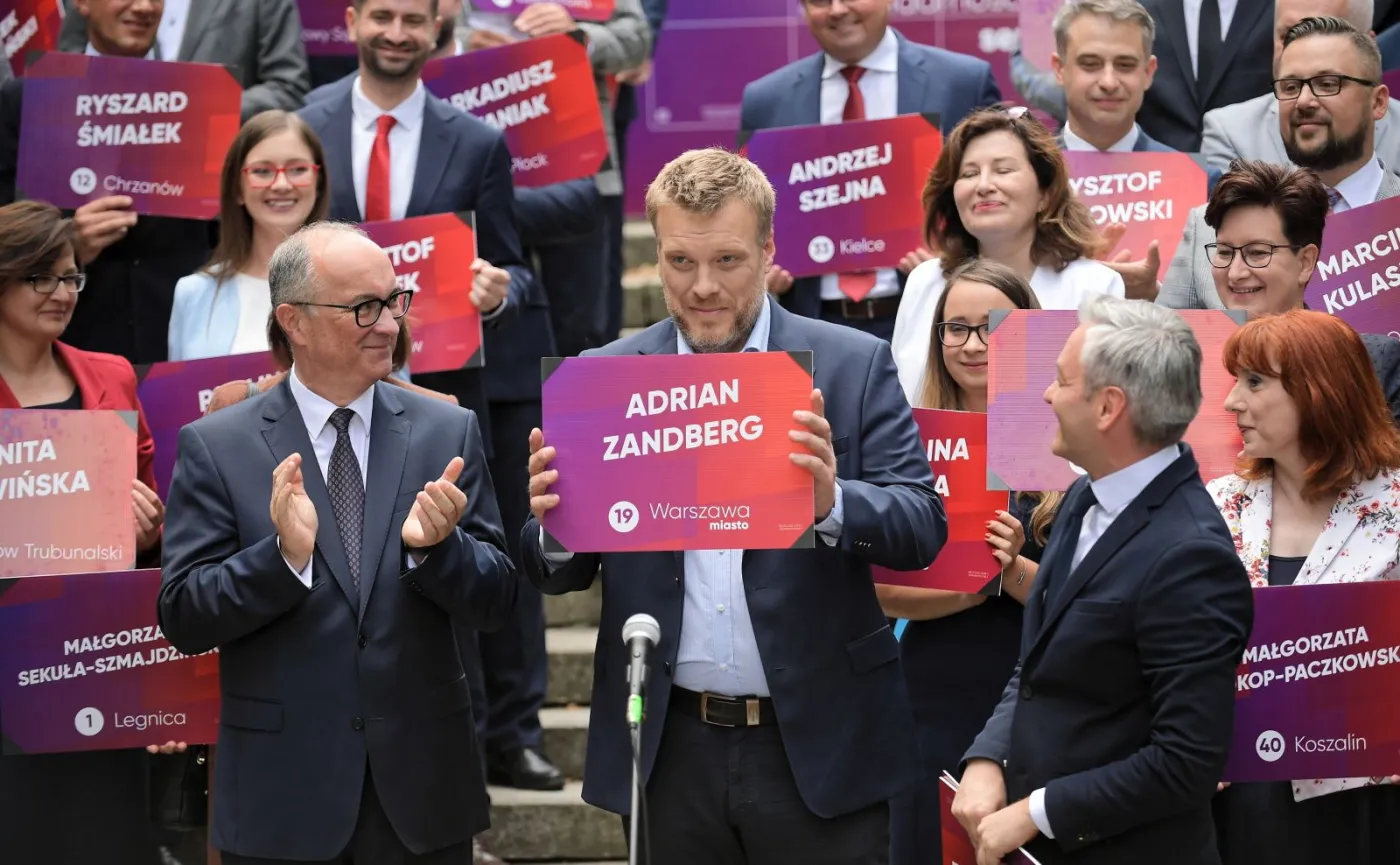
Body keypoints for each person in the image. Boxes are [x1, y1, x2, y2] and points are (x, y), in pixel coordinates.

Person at [520, 148, 946, 865]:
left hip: (817, 743)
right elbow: (553, 571)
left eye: (727, 259)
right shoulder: (603, 380)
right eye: (681, 262)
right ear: (655, 253)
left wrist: (830, 502)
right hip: (669, 748)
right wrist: (557, 526)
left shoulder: (850, 364)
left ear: (769, 249)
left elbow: (921, 526)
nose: (704, 286)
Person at [159, 222, 518, 865]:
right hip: (280, 802)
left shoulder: (447, 429)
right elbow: (184, 615)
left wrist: (437, 552)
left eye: (394, 301)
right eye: (363, 308)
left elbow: (498, 602)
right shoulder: (217, 444)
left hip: (422, 798)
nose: (388, 324)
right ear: (292, 321)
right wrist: (282, 560)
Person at [952, 295, 1254, 865]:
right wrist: (990, 757)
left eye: (1063, 380)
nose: (1047, 394)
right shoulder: (1085, 496)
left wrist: (1035, 811)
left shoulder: (1191, 557)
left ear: (1109, 406)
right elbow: (1040, 664)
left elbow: (1186, 763)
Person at [880, 259, 1063, 865]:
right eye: (955, 328)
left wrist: (1007, 569)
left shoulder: (1072, 448)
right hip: (926, 687)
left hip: (1034, 695)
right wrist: (974, 587)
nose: (972, 345)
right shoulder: (906, 445)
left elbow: (1083, 603)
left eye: (993, 327)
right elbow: (878, 591)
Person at [0, 200, 163, 863]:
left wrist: (147, 525)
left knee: (107, 835)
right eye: (42, 277)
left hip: (94, 662)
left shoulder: (112, 373)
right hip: (9, 666)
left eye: (71, 277)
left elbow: (152, 520)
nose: (62, 293)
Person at [1208, 309, 1400, 865]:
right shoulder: (1216, 505)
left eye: (1255, 382)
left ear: (1320, 392)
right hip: (1240, 796)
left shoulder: (1394, 505)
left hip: (1366, 803)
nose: (1230, 403)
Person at [740, 0, 1001, 339]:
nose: (836, 10)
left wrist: (954, 255)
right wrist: (761, 267)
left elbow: (1001, 199)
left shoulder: (962, 83)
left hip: (938, 323)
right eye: (819, 1)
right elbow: (749, 215)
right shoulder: (765, 101)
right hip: (813, 327)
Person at [0, 0, 215, 365]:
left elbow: (223, 238)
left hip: (181, 353)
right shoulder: (25, 98)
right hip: (67, 353)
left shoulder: (202, 95)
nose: (144, 7)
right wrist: (67, 246)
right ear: (81, 3)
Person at [891, 105, 1125, 403]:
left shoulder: (1096, 286)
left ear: (1045, 194)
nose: (984, 185)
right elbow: (900, 399)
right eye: (969, 173)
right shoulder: (924, 281)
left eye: (1003, 170)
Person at [1162, 16, 1397, 310]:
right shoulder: (1208, 228)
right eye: (1290, 86)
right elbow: (1168, 350)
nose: (1304, 100)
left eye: (1327, 84)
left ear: (1377, 102)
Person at [464, 0, 650, 356]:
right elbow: (420, 28)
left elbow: (637, 40)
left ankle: (581, 408)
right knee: (491, 319)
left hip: (575, 161)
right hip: (481, 159)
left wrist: (578, 38)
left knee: (581, 327)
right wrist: (465, 44)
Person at [1190, 159, 1400, 423]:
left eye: (1257, 253)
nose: (1235, 273)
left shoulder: (1371, 362)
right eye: (1224, 252)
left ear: (1305, 262)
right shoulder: (1185, 362)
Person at [169, 110, 329, 360]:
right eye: (262, 171)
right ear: (237, 189)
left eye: (297, 169)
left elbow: (395, 394)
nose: (281, 184)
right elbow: (180, 397)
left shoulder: (357, 285)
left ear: (318, 182)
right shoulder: (193, 293)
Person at [1201, 0, 1400, 172]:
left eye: (1323, 32)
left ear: (1369, 47)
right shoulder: (1230, 135)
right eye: (1288, 35)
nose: (1301, 49)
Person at [61, 0, 311, 121]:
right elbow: (68, 61)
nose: (144, 8)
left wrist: (192, 109)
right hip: (94, 161)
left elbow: (288, 88)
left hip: (213, 190)